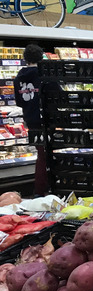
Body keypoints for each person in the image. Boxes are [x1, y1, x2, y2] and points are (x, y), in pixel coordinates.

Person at [13, 44, 47, 196]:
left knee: (41, 155)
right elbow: (58, 95)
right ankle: (43, 190)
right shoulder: (44, 74)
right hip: (47, 120)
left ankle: (40, 190)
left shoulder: (18, 78)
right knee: (48, 156)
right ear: (41, 58)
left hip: (31, 121)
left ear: (25, 58)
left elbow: (19, 101)